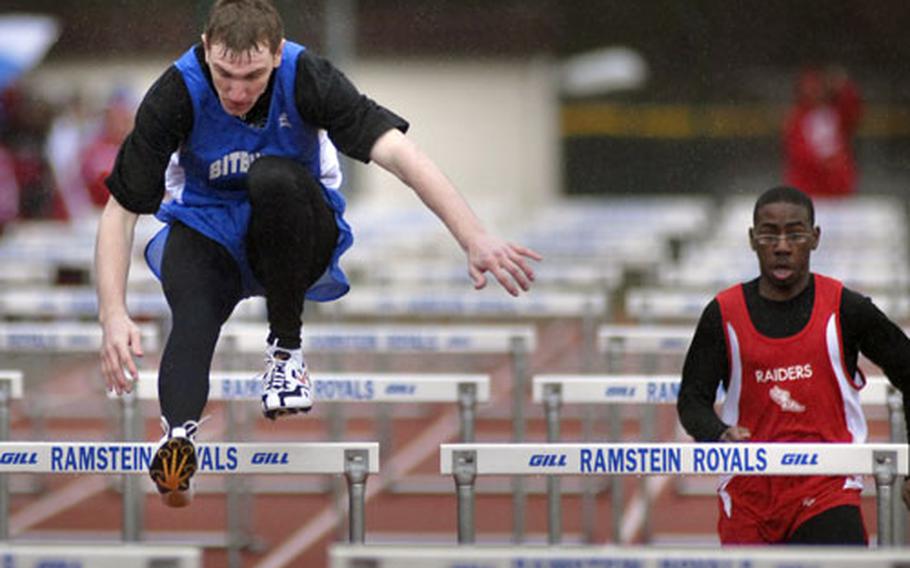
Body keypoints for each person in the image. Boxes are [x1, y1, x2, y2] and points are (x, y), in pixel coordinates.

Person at [95, 0, 541, 507]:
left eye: (254, 76)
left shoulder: (308, 76)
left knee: (273, 177)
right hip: (210, 225)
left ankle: (286, 352)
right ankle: (178, 440)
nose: (237, 92)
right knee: (191, 308)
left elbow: (397, 152)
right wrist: (113, 313)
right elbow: (121, 211)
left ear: (278, 55)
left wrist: (473, 236)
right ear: (204, 52)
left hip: (296, 225)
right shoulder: (174, 92)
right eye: (224, 75)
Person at [677, 186, 910, 545]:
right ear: (753, 239)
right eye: (769, 234)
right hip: (750, 491)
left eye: (795, 234)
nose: (782, 246)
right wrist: (718, 432)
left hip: (827, 486)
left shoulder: (847, 309)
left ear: (815, 238)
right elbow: (692, 400)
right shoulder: (722, 314)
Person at [783, 67, 862, 198]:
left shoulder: (835, 113)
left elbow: (854, 111)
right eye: (809, 89)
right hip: (809, 185)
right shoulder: (796, 118)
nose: (814, 93)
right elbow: (797, 151)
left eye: (817, 88)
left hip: (837, 185)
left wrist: (844, 88)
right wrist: (822, 163)